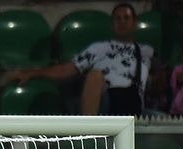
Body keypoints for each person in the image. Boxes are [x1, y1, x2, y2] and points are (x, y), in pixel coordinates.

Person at [9, 3, 154, 116]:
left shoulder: (147, 51)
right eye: (118, 18)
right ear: (113, 23)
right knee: (95, 76)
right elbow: (67, 69)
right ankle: (88, 138)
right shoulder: (99, 48)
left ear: (134, 22)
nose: (122, 22)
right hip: (105, 104)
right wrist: (32, 73)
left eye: (126, 18)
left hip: (132, 108)